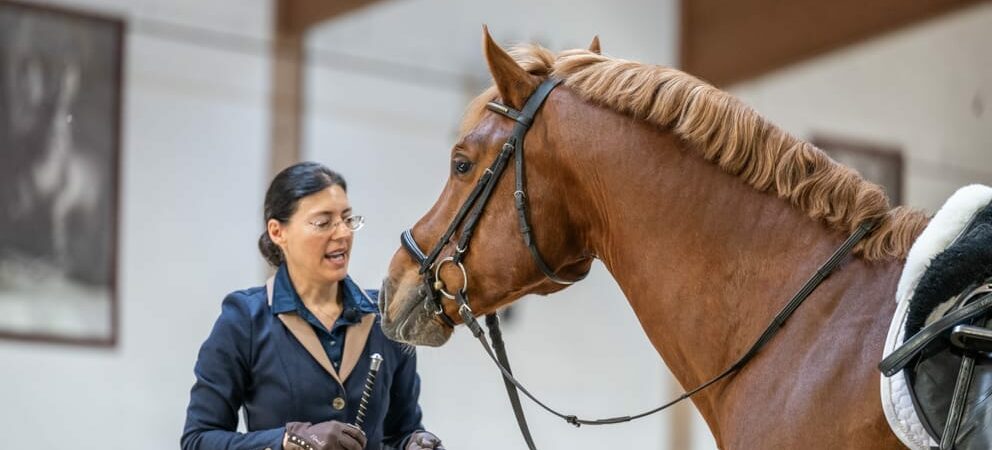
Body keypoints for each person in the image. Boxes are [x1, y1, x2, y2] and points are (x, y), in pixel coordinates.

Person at [182, 162, 445, 450]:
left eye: (347, 219)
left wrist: (415, 443)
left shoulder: (387, 318)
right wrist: (289, 440)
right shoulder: (244, 319)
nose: (342, 233)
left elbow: (401, 431)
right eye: (323, 222)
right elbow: (199, 439)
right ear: (277, 232)